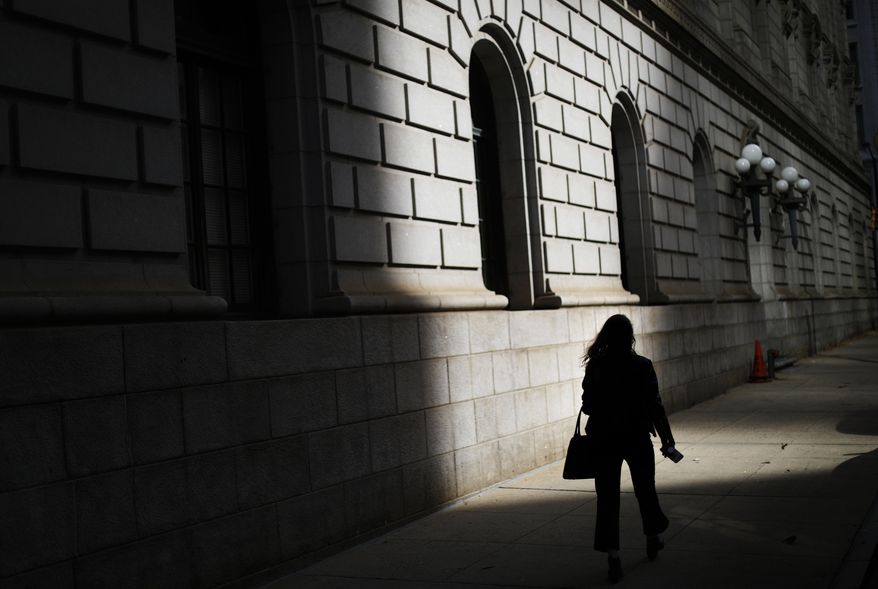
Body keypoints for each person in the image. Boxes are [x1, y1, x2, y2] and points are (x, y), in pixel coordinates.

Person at [580, 314, 677, 584]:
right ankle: (653, 536)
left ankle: (613, 557)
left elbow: (588, 405)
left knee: (608, 498)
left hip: (604, 439)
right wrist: (667, 440)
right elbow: (655, 406)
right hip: (636, 436)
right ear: (630, 338)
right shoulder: (642, 366)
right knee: (645, 490)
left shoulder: (596, 366)